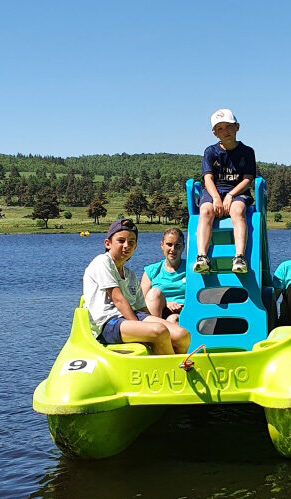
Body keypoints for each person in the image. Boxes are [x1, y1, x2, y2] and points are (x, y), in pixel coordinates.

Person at [83, 218, 190, 355]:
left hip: (132, 316)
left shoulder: (130, 275)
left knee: (181, 335)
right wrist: (144, 329)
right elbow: (118, 300)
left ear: (135, 247)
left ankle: (179, 369)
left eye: (131, 242)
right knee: (159, 331)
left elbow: (142, 308)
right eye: (121, 241)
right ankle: (168, 371)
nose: (126, 245)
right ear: (108, 243)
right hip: (107, 323)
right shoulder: (102, 262)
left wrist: (152, 322)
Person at [193, 108, 256, 274]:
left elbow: (248, 179)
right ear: (214, 133)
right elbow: (208, 178)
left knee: (237, 210)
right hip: (214, 190)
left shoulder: (247, 152)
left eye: (228, 126)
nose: (225, 131)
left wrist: (230, 195)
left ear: (237, 127)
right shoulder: (211, 152)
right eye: (220, 128)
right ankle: (202, 257)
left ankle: (239, 257)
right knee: (205, 210)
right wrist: (215, 198)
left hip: (237, 191)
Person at [140, 228, 186, 323]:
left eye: (177, 245)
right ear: (162, 245)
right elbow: (141, 302)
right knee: (154, 293)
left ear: (183, 247)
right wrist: (166, 303)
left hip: (184, 312)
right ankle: (155, 331)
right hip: (158, 312)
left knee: (173, 319)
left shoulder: (190, 270)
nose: (173, 249)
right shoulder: (151, 271)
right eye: (169, 245)